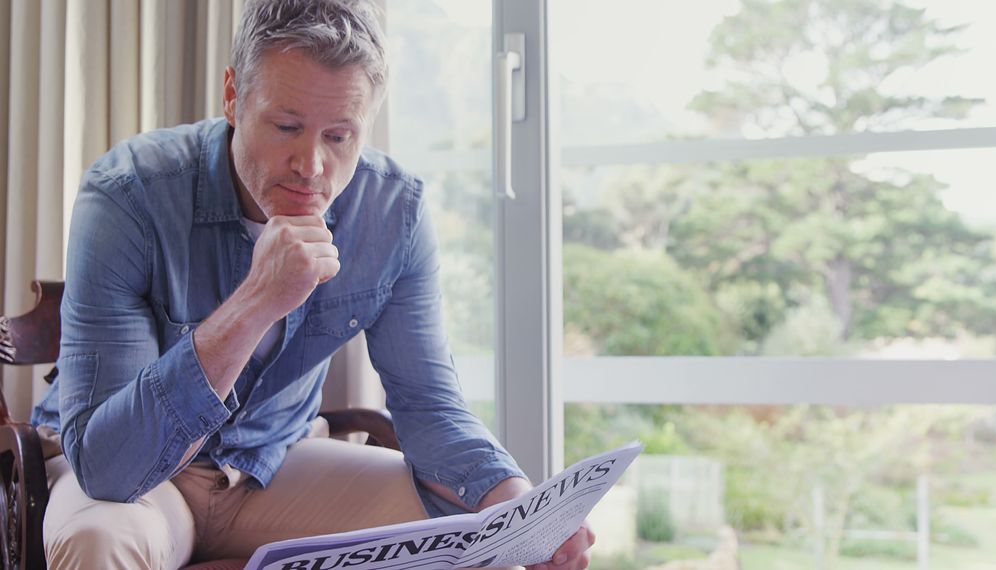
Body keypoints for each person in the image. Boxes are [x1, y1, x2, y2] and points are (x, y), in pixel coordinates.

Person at [29, 1, 594, 568]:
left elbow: (428, 404)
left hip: (275, 465)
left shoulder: (392, 212)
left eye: (340, 136)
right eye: (287, 127)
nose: (312, 165)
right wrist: (256, 302)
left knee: (473, 536)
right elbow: (109, 467)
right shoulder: (129, 194)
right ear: (233, 95)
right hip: (140, 482)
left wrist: (525, 516)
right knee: (97, 542)